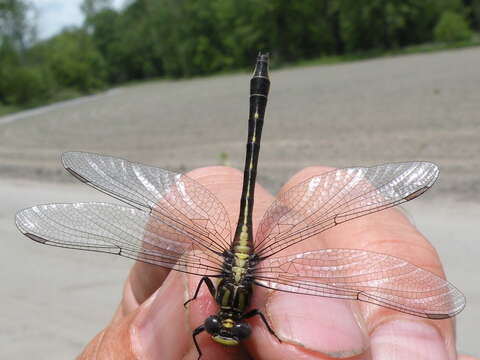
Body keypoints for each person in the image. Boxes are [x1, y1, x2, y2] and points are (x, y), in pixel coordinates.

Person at [76, 166, 477, 360]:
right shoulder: (223, 301)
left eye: (222, 325)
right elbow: (206, 290)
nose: (227, 326)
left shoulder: (235, 304)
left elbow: (229, 304)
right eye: (229, 326)